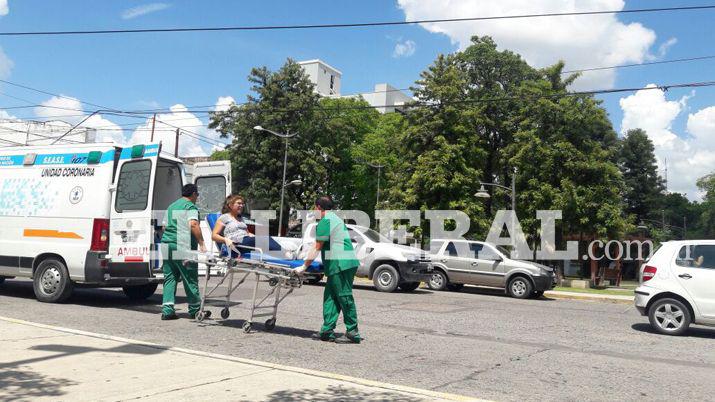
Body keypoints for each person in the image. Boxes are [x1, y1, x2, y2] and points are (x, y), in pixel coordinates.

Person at [296, 196, 361, 343]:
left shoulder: (326, 221)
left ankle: (353, 332)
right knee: (331, 297)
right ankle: (327, 330)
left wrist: (304, 266)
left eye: (314, 208)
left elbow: (317, 247)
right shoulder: (335, 218)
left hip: (341, 263)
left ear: (318, 207)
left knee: (344, 296)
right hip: (339, 263)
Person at [160, 184, 208, 321]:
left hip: (166, 244)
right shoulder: (190, 207)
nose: (197, 198)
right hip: (182, 245)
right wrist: (201, 243)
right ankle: (195, 310)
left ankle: (167, 310)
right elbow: (193, 224)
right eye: (197, 195)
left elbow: (164, 227)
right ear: (193, 194)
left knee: (170, 277)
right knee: (190, 277)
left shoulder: (171, 206)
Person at [211, 194, 285, 255]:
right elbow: (214, 236)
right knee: (264, 239)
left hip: (245, 242)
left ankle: (283, 255)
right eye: (239, 203)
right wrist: (225, 239)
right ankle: (285, 254)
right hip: (236, 244)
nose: (242, 205)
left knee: (265, 237)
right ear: (230, 205)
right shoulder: (224, 217)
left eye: (242, 204)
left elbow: (247, 233)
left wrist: (255, 236)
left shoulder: (240, 219)